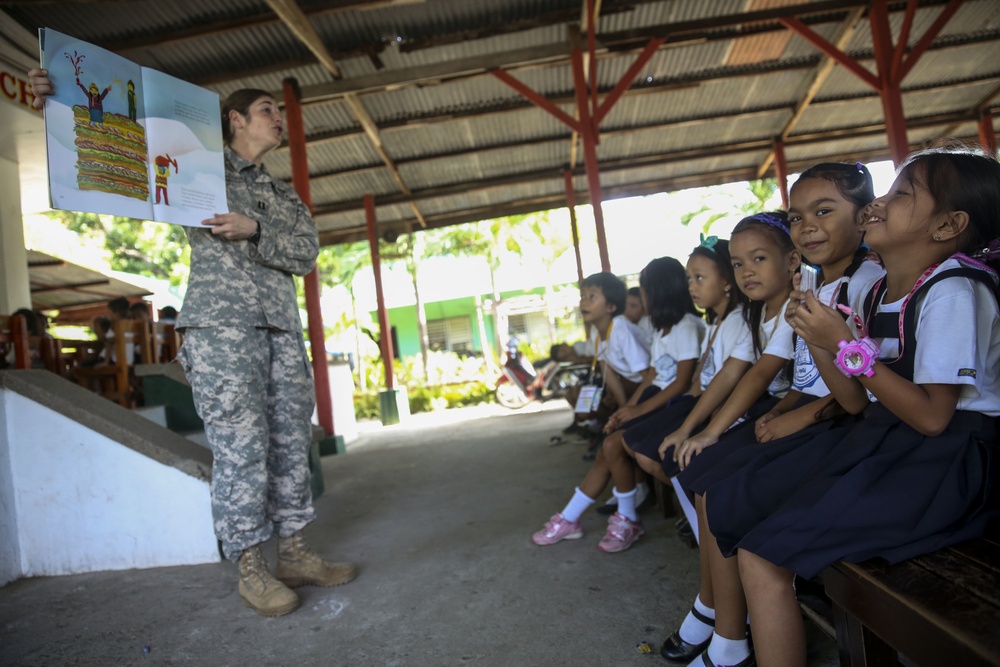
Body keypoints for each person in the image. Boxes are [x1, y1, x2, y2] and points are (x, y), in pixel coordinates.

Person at [29, 70, 356, 618]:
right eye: (268, 109)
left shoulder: (282, 195)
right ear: (236, 119)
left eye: (279, 110)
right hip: (221, 330)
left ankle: (295, 553)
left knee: (288, 441)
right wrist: (56, 103)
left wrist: (256, 230)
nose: (279, 118)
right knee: (241, 449)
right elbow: (120, 159)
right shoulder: (195, 167)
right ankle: (251, 570)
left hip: (279, 328)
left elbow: (305, 255)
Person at [705, 148, 1000, 667]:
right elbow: (852, 397)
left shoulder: (953, 291)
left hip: (948, 457)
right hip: (894, 438)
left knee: (763, 551)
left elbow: (934, 416)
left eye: (900, 195)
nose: (877, 204)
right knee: (749, 515)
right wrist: (817, 335)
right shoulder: (882, 290)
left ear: (949, 225)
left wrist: (843, 344)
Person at [657, 164, 880, 666]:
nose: (810, 225)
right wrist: (778, 413)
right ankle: (720, 621)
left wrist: (795, 416)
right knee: (708, 477)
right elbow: (785, 375)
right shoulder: (817, 289)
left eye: (823, 212)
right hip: (811, 410)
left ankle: (728, 632)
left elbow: (856, 392)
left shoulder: (867, 283)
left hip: (840, 424)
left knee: (723, 487)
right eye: (799, 216)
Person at [651, 212, 798, 667]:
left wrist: (711, 430)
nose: (747, 271)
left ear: (792, 261)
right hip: (771, 411)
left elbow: (760, 377)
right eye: (738, 263)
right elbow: (731, 376)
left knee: (712, 484)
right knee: (698, 471)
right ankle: (715, 610)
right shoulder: (756, 312)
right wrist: (696, 428)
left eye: (757, 259)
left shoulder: (798, 304)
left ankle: (729, 632)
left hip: (791, 417)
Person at [531, 257, 704, 552]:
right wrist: (629, 410)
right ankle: (593, 517)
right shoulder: (663, 329)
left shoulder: (685, 327)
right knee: (610, 444)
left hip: (675, 403)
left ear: (660, 292)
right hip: (654, 398)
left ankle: (613, 517)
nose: (639, 299)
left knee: (612, 446)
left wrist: (634, 409)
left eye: (645, 292)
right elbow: (651, 375)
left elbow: (678, 383)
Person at [563, 272, 650, 432]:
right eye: (583, 296)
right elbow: (607, 370)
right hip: (630, 386)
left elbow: (648, 377)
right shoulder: (597, 332)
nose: (584, 302)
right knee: (589, 406)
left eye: (592, 297)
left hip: (648, 388)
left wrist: (629, 408)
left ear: (610, 307)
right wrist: (622, 406)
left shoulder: (621, 330)